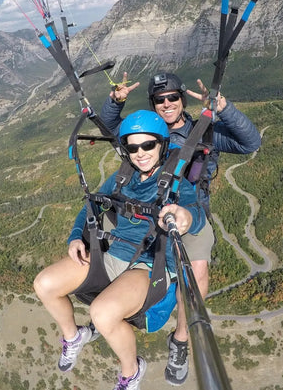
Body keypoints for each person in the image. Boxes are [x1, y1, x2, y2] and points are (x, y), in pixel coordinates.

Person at [100, 71, 262, 385]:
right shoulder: (150, 131)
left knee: (196, 272)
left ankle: (182, 339)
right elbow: (112, 130)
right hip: (148, 206)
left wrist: (224, 109)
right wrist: (113, 103)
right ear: (152, 104)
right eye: (159, 100)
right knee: (108, 239)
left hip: (191, 211)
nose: (167, 103)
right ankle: (116, 308)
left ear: (182, 99)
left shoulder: (204, 132)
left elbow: (250, 143)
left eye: (172, 97)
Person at [33, 110, 207, 390]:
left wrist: (185, 217)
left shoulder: (176, 183)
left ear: (162, 144)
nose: (140, 153)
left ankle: (131, 371)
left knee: (102, 314)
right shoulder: (121, 179)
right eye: (132, 147)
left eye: (148, 145)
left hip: (149, 265)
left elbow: (195, 213)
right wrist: (76, 237)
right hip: (113, 253)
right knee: (45, 284)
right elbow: (92, 205)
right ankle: (73, 336)